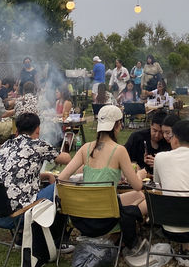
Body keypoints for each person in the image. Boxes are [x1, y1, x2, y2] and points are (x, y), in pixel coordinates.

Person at [57, 105, 147, 251]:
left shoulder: (86, 148)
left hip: (81, 217)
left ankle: (115, 237)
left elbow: (61, 178)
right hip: (106, 219)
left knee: (133, 195)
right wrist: (140, 174)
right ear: (117, 125)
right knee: (141, 195)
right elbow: (137, 185)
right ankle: (123, 235)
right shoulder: (119, 150)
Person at [0, 111, 72, 214]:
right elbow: (67, 159)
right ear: (38, 130)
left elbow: (18, 173)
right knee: (61, 185)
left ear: (17, 130)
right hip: (21, 209)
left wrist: (46, 175)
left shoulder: (5, 145)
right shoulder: (37, 145)